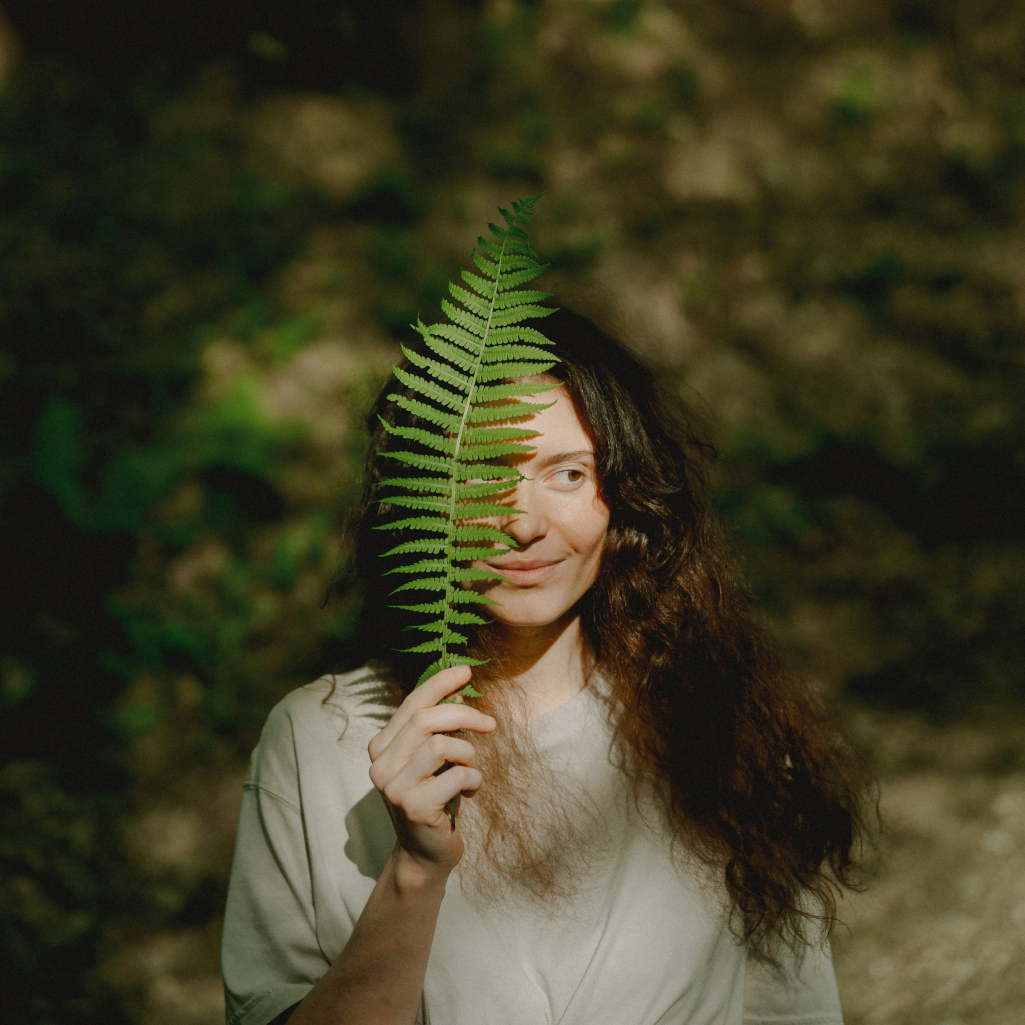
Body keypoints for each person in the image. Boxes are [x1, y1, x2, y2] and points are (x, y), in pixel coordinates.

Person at [221, 308, 870, 1025]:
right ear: (421, 498)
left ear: (623, 493)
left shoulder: (716, 719)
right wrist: (412, 872)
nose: (523, 521)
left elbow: (789, 1011)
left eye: (566, 472)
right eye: (480, 475)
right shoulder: (320, 740)